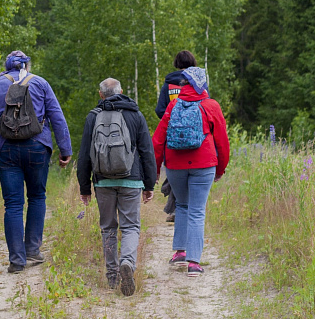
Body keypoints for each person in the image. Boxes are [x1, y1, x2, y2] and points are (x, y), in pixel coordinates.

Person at [0, 50, 73, 273]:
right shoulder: (41, 83)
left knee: (13, 204)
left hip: (5, 150)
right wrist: (65, 149)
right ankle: (33, 251)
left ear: (6, 66)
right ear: (26, 66)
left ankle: (17, 260)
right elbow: (57, 116)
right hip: (37, 147)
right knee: (37, 196)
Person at [77, 78, 156, 295]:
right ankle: (128, 263)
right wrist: (149, 184)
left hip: (103, 182)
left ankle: (112, 278)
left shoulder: (93, 117)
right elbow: (147, 152)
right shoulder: (135, 115)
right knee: (130, 226)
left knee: (108, 228)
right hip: (131, 180)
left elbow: (84, 155)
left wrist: (85, 187)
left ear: (101, 95)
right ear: (121, 92)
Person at [153, 66, 230, 277]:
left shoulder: (174, 105)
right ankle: (194, 263)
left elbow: (158, 139)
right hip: (203, 163)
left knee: (182, 205)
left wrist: (155, 168)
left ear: (183, 85)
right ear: (203, 84)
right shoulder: (211, 105)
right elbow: (222, 142)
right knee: (197, 210)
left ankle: (179, 251)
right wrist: (220, 168)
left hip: (175, 165)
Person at [155, 50, 198, 223]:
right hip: (196, 137)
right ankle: (188, 210)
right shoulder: (197, 84)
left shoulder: (168, 85)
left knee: (176, 171)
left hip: (172, 137)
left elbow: (160, 110)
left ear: (176, 63)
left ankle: (176, 208)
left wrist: (171, 119)